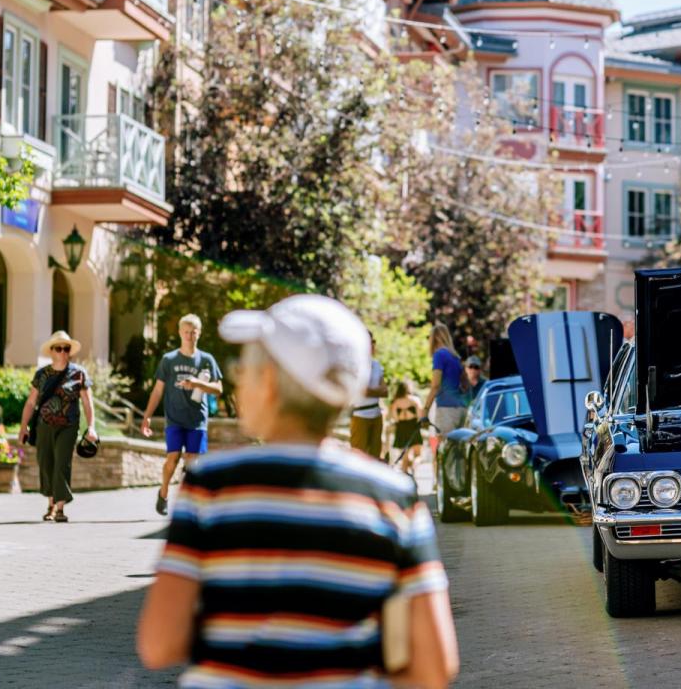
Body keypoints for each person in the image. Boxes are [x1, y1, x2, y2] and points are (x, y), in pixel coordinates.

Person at [137, 295, 460, 688]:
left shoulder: (211, 486)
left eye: (245, 368)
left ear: (270, 383)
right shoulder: (394, 498)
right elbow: (434, 666)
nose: (237, 378)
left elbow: (158, 643)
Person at [140, 313, 224, 516]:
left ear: (199, 333)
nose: (189, 336)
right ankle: (164, 492)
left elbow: (218, 388)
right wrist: (147, 416)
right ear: (179, 333)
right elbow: (158, 390)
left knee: (193, 462)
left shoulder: (206, 360)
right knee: (173, 458)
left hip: (197, 420)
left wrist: (197, 384)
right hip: (175, 419)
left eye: (193, 332)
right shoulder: (169, 360)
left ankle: (190, 503)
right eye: (185, 332)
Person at [20, 331, 97, 522]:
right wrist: (23, 427)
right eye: (59, 348)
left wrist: (92, 427)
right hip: (44, 426)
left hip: (68, 426)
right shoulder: (42, 375)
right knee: (46, 464)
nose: (63, 352)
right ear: (52, 351)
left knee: (62, 464)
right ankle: (51, 504)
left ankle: (60, 508)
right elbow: (31, 402)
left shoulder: (79, 374)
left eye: (66, 348)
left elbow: (88, 402)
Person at [421, 322, 466, 437]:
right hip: (461, 409)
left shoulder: (439, 355)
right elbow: (464, 385)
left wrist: (425, 409)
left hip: (447, 410)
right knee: (457, 451)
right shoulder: (455, 357)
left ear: (435, 337)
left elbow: (435, 385)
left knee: (444, 450)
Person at [349, 333, 388, 457]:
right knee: (358, 455)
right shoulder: (355, 365)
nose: (372, 345)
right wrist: (376, 391)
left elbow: (385, 391)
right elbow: (360, 390)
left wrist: (370, 391)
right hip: (360, 415)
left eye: (373, 342)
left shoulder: (377, 365)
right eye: (368, 342)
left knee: (375, 456)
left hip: (376, 414)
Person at [388, 379, 425, 475]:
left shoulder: (394, 402)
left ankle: (405, 480)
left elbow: (394, 417)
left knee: (404, 457)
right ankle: (414, 466)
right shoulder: (414, 400)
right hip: (413, 427)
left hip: (401, 428)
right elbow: (420, 416)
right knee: (418, 455)